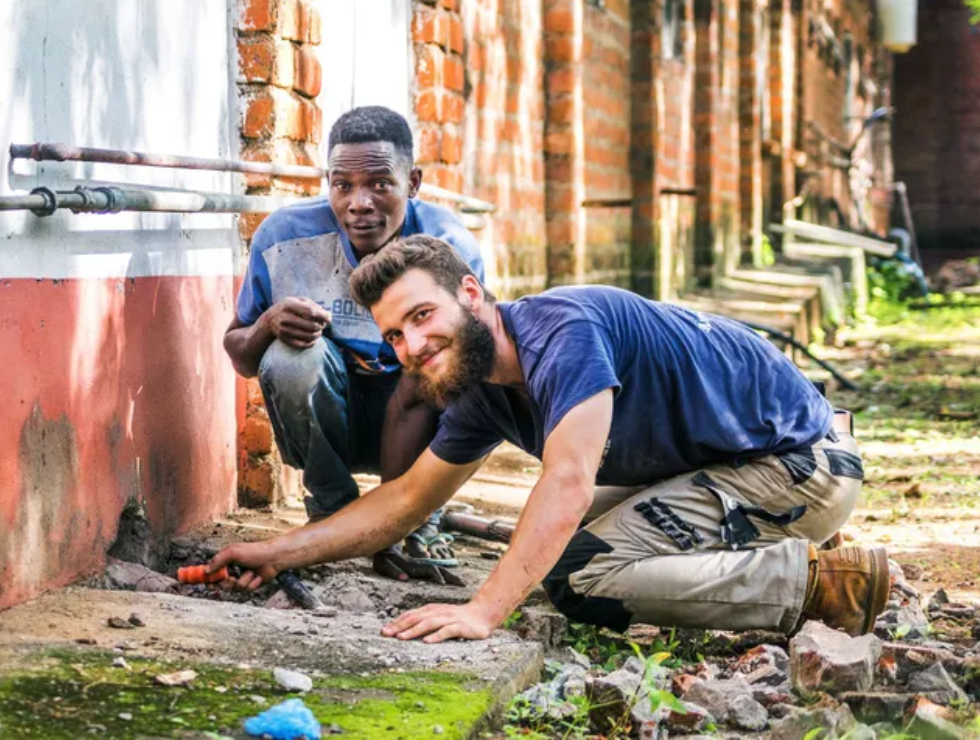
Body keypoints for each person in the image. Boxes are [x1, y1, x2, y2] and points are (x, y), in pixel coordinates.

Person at [211, 236, 889, 643]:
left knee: (574, 573)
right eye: (394, 335)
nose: (411, 346)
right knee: (550, 543)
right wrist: (278, 553)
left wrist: (483, 611)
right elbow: (406, 499)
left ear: (470, 295)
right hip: (733, 466)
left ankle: (819, 582)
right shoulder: (478, 383)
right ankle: (771, 550)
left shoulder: (562, 331)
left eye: (421, 316)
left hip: (797, 468)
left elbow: (566, 482)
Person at [222, 107, 483, 583]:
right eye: (343, 185)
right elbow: (241, 357)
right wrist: (268, 325)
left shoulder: (447, 247)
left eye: (380, 184)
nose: (359, 202)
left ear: (414, 182)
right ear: (328, 183)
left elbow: (476, 367)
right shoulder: (284, 238)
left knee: (451, 361)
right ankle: (331, 512)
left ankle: (418, 520)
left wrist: (402, 515)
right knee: (289, 357)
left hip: (417, 422)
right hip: (332, 424)